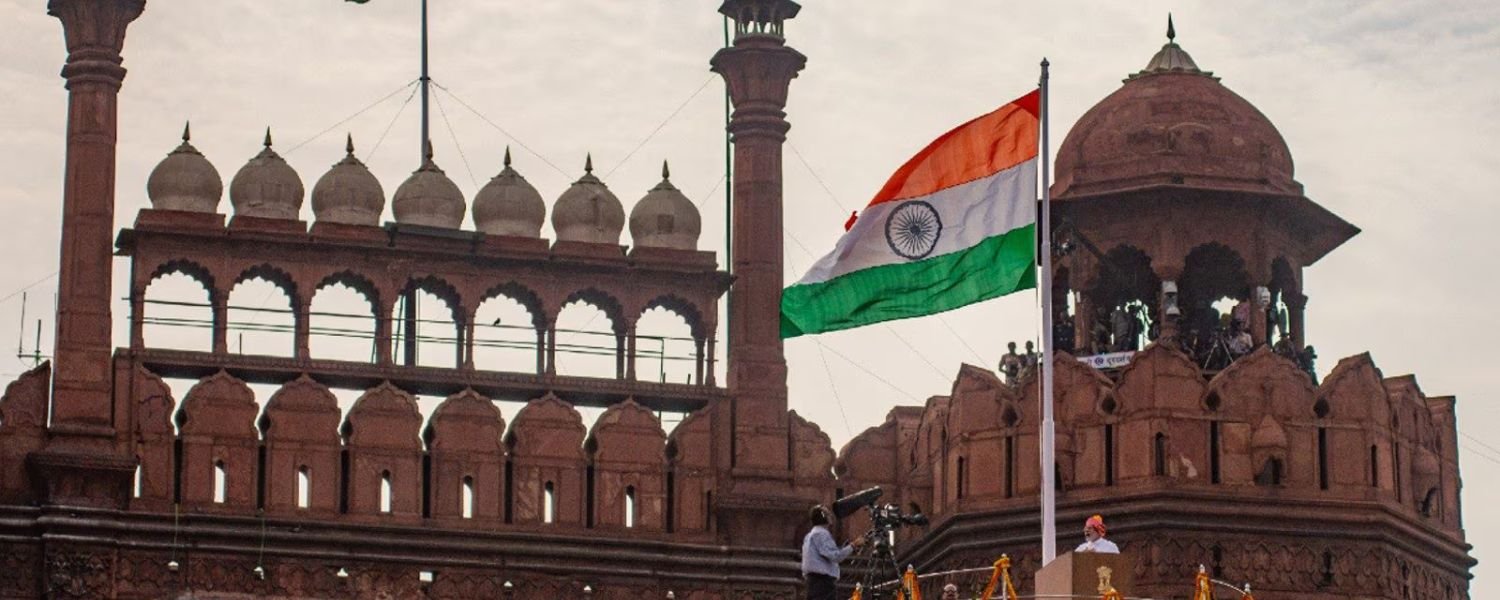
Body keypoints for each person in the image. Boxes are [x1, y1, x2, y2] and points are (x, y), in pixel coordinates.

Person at [801, 505, 865, 600]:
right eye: (828, 514)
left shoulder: (811, 535)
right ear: (823, 517)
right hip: (822, 582)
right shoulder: (821, 534)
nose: (831, 516)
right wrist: (854, 545)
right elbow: (835, 556)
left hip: (813, 582)